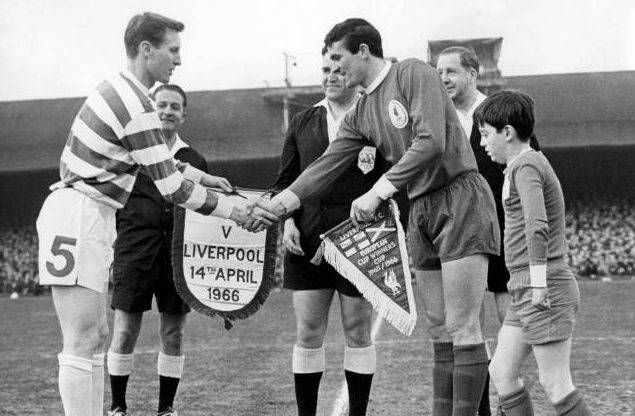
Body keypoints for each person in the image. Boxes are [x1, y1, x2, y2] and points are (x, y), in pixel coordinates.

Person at [36, 12, 274, 416]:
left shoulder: (124, 93)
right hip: (79, 213)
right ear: (147, 50)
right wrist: (235, 210)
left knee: (96, 336)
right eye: (173, 50)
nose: (178, 60)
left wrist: (203, 175)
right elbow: (171, 187)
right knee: (81, 340)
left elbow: (156, 161)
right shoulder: (134, 104)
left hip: (87, 213)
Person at [259, 18, 500, 416]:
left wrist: (376, 191)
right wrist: (276, 206)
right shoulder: (363, 111)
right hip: (420, 208)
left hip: (458, 197)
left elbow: (431, 142)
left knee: (463, 326)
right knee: (438, 327)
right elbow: (324, 166)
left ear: (364, 52)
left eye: (340, 58)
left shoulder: (412, 73)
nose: (335, 69)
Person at [272, 48, 389, 416]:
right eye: (325, 69)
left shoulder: (375, 115)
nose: (332, 75)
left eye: (339, 69)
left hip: (360, 237)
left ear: (352, 72)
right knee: (308, 330)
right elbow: (284, 183)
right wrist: (287, 221)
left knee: (357, 328)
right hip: (306, 239)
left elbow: (392, 176)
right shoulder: (303, 121)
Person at [476, 90, 592, 416]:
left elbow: (537, 224)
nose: (483, 143)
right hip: (525, 287)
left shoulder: (525, 165)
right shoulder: (522, 164)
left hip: (544, 286)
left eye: (486, 135)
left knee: (555, 381)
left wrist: (539, 283)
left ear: (508, 132)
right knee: (501, 371)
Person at [107, 84, 206, 416]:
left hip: (176, 254)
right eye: (161, 105)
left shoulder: (194, 159)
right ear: (152, 110)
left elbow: (200, 207)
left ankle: (166, 408)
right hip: (134, 251)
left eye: (174, 107)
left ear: (183, 114)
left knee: (173, 332)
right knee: (124, 330)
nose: (167, 111)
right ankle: (118, 406)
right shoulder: (132, 152)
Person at [436, 46, 507, 416]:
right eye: (439, 72)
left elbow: (526, 162)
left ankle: (512, 400)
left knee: (514, 329)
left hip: (503, 231)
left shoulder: (498, 112)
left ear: (473, 75)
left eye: (451, 71)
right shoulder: (436, 119)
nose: (443, 78)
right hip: (461, 236)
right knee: (467, 329)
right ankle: (482, 411)